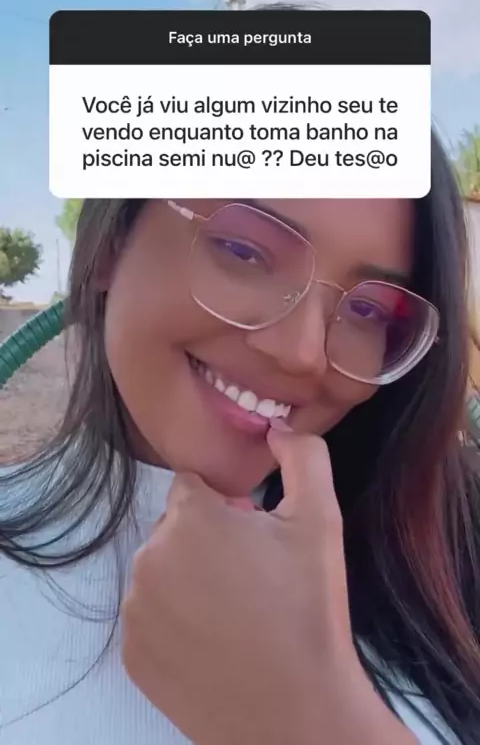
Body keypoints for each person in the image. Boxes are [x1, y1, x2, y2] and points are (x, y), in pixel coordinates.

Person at [1, 78, 480, 743]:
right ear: (113, 241)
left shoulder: (455, 550)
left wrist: (310, 720)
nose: (303, 353)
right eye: (244, 250)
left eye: (370, 310)